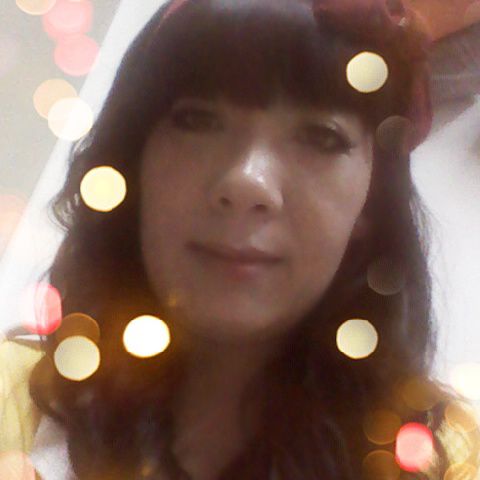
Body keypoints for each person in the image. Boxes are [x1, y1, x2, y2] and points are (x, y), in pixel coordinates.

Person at [1, 0, 479, 479]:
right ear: (132, 166)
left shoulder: (439, 456)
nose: (248, 182)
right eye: (199, 121)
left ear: (372, 200)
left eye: (321, 136)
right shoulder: (12, 399)